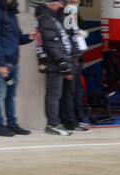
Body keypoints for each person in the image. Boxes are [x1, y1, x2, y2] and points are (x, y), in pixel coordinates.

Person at [36, 0, 74, 136]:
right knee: (53, 95)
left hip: (57, 61)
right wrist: (62, 61)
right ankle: (53, 124)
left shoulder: (52, 18)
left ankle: (55, 122)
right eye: (60, 3)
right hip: (54, 63)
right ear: (52, 3)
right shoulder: (46, 18)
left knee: (56, 95)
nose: (62, 6)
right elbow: (50, 43)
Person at [0, 0, 33, 137]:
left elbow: (17, 38)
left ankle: (12, 124)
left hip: (13, 61)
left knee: (11, 96)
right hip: (2, 62)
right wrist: (0, 64)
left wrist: (30, 37)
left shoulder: (12, 14)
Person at [62, 0, 89, 131]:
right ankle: (71, 121)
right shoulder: (67, 12)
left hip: (77, 57)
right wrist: (74, 56)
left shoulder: (74, 12)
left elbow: (75, 33)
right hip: (72, 58)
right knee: (70, 92)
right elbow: (68, 37)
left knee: (77, 90)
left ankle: (79, 118)